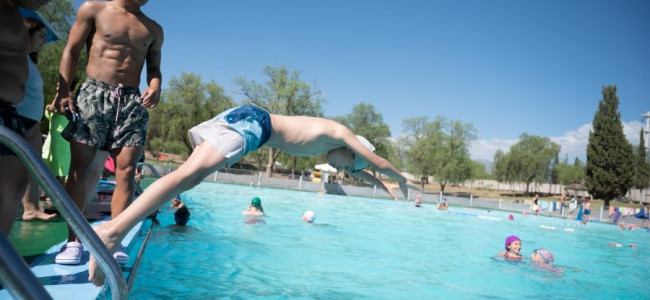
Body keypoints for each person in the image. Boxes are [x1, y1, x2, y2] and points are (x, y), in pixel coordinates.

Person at [87, 104, 419, 285]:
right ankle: (112, 231)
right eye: (349, 167)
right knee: (185, 175)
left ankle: (115, 229)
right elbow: (378, 162)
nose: (345, 171)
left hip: (250, 122)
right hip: (255, 125)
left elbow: (366, 170)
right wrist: (400, 177)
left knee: (188, 180)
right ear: (351, 150)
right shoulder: (340, 132)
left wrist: (387, 187)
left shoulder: (339, 149)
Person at [49, 0, 163, 265]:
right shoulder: (94, 8)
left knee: (126, 171)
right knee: (80, 169)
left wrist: (155, 85)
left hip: (132, 101)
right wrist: (64, 90)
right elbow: (72, 49)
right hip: (94, 95)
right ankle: (73, 243)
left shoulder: (154, 28)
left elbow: (154, 68)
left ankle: (115, 239)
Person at [0, 0, 53, 236]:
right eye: (40, 35)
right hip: (11, 114)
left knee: (14, 184)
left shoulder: (11, 14)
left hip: (10, 113)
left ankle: (4, 257)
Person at [15, 17, 57, 221]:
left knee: (33, 167)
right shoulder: (15, 58)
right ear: (27, 33)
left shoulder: (30, 60)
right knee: (14, 169)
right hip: (16, 121)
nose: (43, 41)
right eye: (41, 36)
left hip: (31, 122)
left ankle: (31, 208)